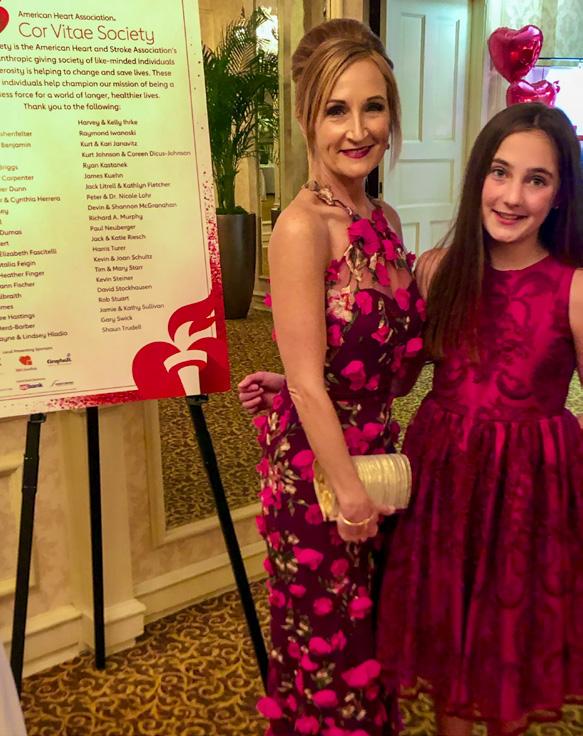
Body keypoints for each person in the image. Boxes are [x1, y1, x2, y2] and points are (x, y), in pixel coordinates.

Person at [240, 102, 583, 735]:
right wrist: (297, 384)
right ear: (477, 177)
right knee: (449, 642)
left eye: (537, 179)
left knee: (506, 643)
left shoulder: (574, 286)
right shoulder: (440, 269)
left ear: (561, 194)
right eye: (500, 172)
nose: (512, 196)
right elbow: (392, 371)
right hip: (444, 479)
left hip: (527, 486)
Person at [250, 17, 425, 736]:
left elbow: (393, 368)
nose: (358, 130)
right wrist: (348, 492)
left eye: (373, 107)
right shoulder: (300, 227)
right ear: (306, 120)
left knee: (373, 644)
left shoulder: (384, 217)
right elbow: (307, 385)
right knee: (330, 655)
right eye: (335, 110)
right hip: (321, 477)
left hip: (378, 454)